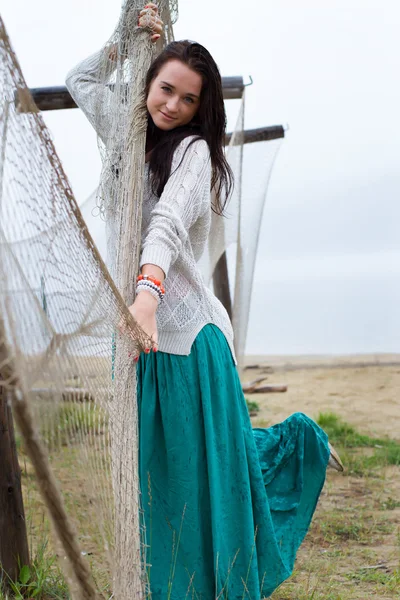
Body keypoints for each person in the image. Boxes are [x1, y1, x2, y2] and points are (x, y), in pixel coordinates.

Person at [66, 5, 343, 598]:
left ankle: (299, 445)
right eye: (165, 89)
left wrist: (146, 296)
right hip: (137, 336)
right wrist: (126, 38)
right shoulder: (123, 129)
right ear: (149, 84)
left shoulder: (194, 154)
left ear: (201, 108)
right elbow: (80, 81)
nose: (171, 106)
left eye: (188, 99)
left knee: (199, 485)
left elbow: (164, 223)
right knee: (154, 486)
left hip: (186, 340)